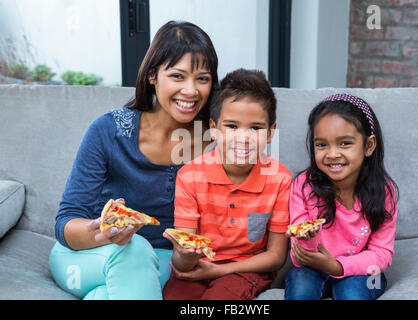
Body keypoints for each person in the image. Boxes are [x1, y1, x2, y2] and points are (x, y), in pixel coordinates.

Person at [49, 20, 218, 300]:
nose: (191, 91)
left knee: (110, 293)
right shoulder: (109, 130)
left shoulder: (216, 141)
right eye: (178, 76)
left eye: (202, 78)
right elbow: (66, 221)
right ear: (152, 76)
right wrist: (100, 232)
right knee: (135, 250)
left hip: (162, 263)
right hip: (86, 255)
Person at [162, 69, 292, 300]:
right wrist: (186, 254)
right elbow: (181, 261)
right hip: (198, 267)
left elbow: (275, 256)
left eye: (255, 128)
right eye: (232, 126)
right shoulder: (190, 176)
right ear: (213, 129)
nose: (243, 138)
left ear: (270, 133)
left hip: (246, 269)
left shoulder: (280, 179)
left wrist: (221, 269)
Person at [284, 93, 399, 300]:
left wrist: (337, 267)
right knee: (300, 288)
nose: (332, 154)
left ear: (368, 146)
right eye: (321, 145)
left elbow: (381, 253)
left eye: (345, 143)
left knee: (351, 294)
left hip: (360, 270)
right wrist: (307, 240)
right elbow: (299, 257)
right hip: (312, 268)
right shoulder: (303, 186)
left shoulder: (384, 192)